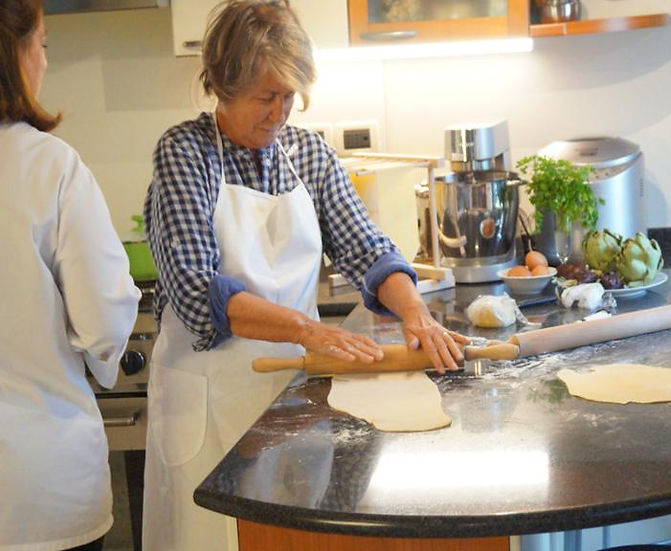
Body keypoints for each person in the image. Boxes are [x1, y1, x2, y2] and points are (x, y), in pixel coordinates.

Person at [140, 1, 469, 549]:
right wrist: (307, 329)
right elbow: (198, 289)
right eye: (265, 97)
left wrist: (416, 312)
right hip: (208, 404)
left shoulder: (306, 151)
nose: (279, 112)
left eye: (289, 96)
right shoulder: (185, 153)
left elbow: (367, 247)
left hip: (294, 402)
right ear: (223, 84)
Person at [0, 1, 142, 550]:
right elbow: (104, 320)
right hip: (42, 489)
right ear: (13, 54)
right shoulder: (49, 166)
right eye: (42, 46)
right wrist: (98, 360)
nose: (44, 62)